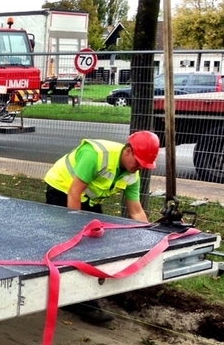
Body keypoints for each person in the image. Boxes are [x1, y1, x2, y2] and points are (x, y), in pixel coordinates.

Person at [43, 130, 160, 324]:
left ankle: (83, 292)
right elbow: (74, 193)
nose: (139, 168)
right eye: (138, 162)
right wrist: (76, 231)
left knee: (94, 243)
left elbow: (136, 211)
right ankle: (79, 301)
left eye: (144, 165)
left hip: (88, 197)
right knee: (71, 243)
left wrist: (150, 239)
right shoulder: (96, 155)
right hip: (62, 189)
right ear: (128, 151)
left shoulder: (132, 175)